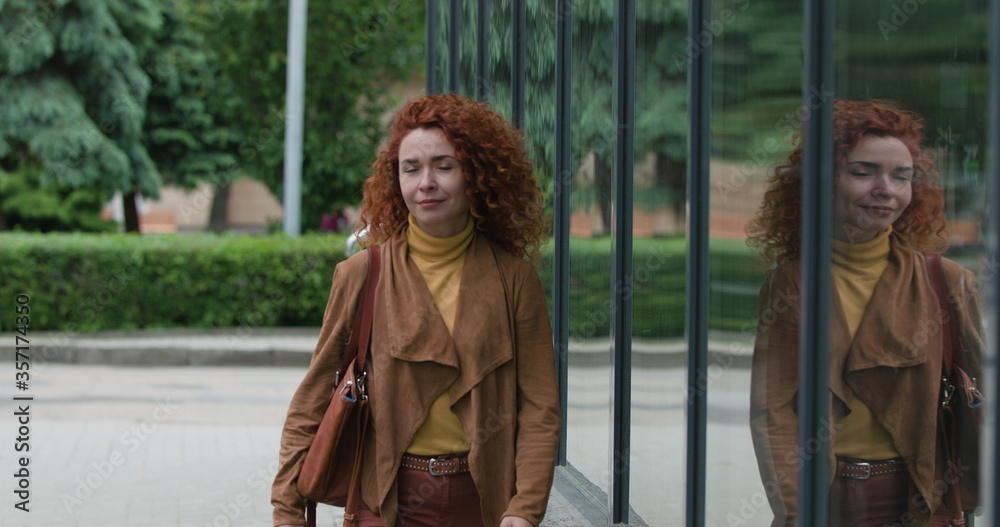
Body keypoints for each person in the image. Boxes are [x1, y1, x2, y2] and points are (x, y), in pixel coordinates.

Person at [271, 93, 560, 527]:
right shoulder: (361, 275)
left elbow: (539, 407)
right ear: (396, 180)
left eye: (444, 166)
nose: (426, 182)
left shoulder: (514, 281)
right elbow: (312, 398)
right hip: (383, 501)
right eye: (411, 169)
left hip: (484, 504)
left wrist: (524, 508)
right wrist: (287, 513)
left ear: (475, 174)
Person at [745, 99, 983, 527]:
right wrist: (799, 511)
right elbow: (773, 412)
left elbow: (978, 401)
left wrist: (964, 504)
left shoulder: (948, 282)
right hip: (825, 500)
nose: (886, 189)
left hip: (922, 502)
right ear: (825, 180)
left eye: (902, 177)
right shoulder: (793, 283)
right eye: (863, 172)